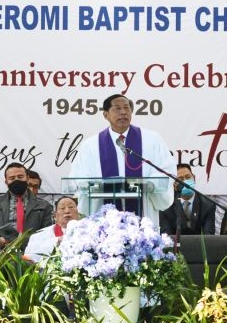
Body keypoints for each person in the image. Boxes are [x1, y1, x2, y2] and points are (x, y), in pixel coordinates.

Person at [68, 94, 175, 225]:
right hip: (103, 221)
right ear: (106, 115)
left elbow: (165, 170)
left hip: (143, 216)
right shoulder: (90, 145)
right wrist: (95, 185)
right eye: (117, 108)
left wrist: (150, 183)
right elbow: (79, 178)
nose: (123, 112)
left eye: (126, 108)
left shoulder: (152, 140)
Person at [0, 162, 53, 248]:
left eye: (20, 177)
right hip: (0, 253)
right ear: (6, 182)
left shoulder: (45, 206)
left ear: (27, 178)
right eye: (12, 178)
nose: (16, 180)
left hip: (30, 253)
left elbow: (47, 235)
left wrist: (24, 242)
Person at [159, 164, 216, 235]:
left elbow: (209, 237)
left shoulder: (208, 205)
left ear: (194, 178)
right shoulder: (166, 206)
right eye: (181, 179)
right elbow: (166, 237)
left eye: (188, 177)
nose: (186, 182)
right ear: (174, 184)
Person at [25, 196, 80, 262]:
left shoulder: (88, 233)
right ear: (55, 215)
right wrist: (57, 241)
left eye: (71, 207)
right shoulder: (38, 236)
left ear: (78, 213)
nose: (67, 211)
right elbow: (28, 258)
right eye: (62, 208)